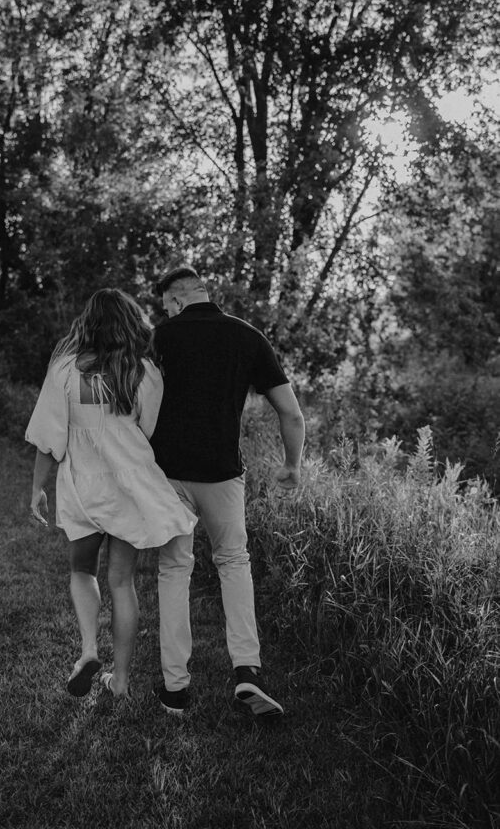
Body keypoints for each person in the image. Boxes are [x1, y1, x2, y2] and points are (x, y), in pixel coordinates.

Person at [150, 266, 305, 717]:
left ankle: (176, 689)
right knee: (234, 563)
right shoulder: (247, 337)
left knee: (174, 569)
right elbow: (291, 414)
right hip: (222, 473)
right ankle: (247, 674)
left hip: (168, 476)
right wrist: (292, 466)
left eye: (165, 306)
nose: (166, 313)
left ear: (176, 301)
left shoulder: (161, 338)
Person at [26, 288, 196, 699]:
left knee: (82, 570)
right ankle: (119, 681)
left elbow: (49, 437)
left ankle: (87, 650)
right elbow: (151, 429)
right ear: (129, 322)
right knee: (122, 582)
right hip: (129, 486)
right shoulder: (143, 370)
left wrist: (37, 488)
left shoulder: (65, 368)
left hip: (82, 484)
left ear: (87, 321)